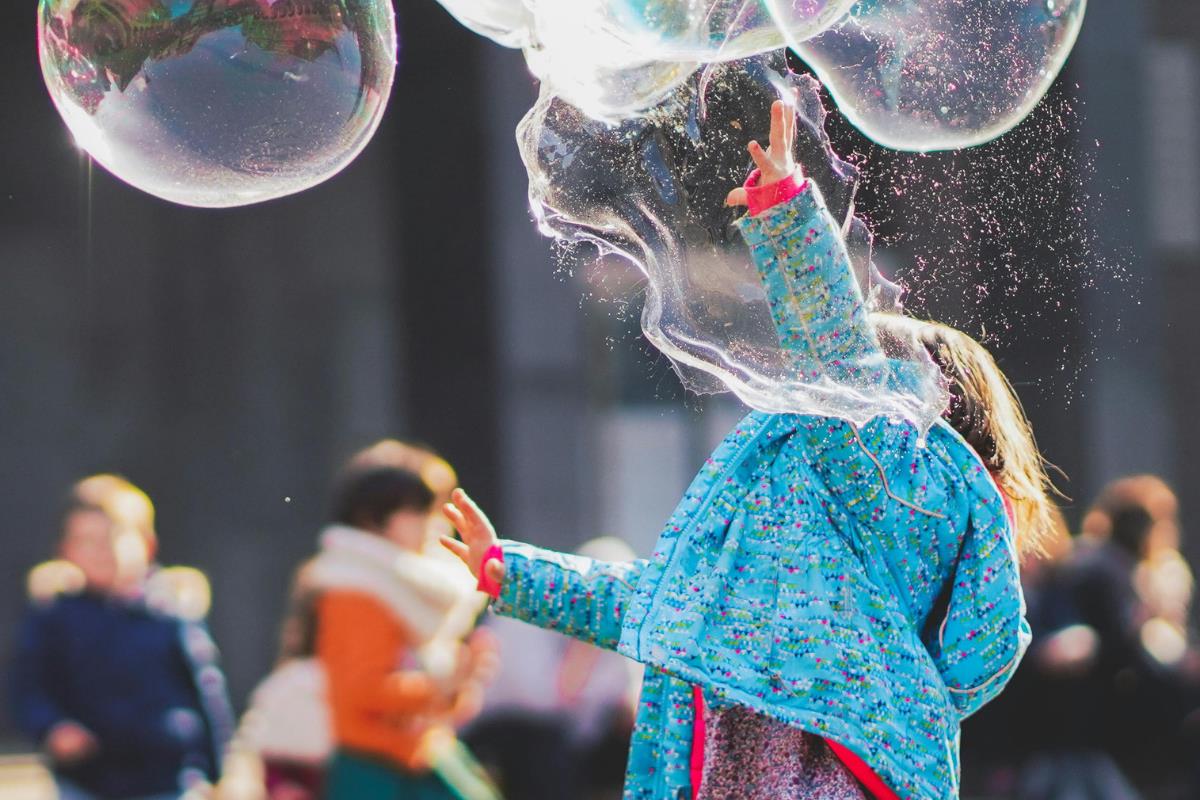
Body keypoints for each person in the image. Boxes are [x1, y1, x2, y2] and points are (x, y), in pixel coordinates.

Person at [440, 100, 1055, 800]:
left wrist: (786, 211)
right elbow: (664, 604)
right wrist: (508, 572)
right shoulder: (820, 526)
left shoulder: (889, 483)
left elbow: (836, 359)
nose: (802, 387)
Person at [272, 442, 499, 800]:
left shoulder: (405, 586)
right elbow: (360, 691)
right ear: (374, 516)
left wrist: (459, 683)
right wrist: (444, 683)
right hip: (372, 768)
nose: (434, 523)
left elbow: (435, 700)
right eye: (422, 509)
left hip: (407, 758)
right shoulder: (355, 587)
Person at [9, 475, 232, 800]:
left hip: (165, 777)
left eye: (113, 537)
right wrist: (52, 727)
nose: (102, 551)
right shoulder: (53, 618)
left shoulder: (170, 614)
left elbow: (207, 692)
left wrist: (217, 771)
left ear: (147, 543)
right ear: (65, 550)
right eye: (86, 540)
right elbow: (29, 687)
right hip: (87, 779)